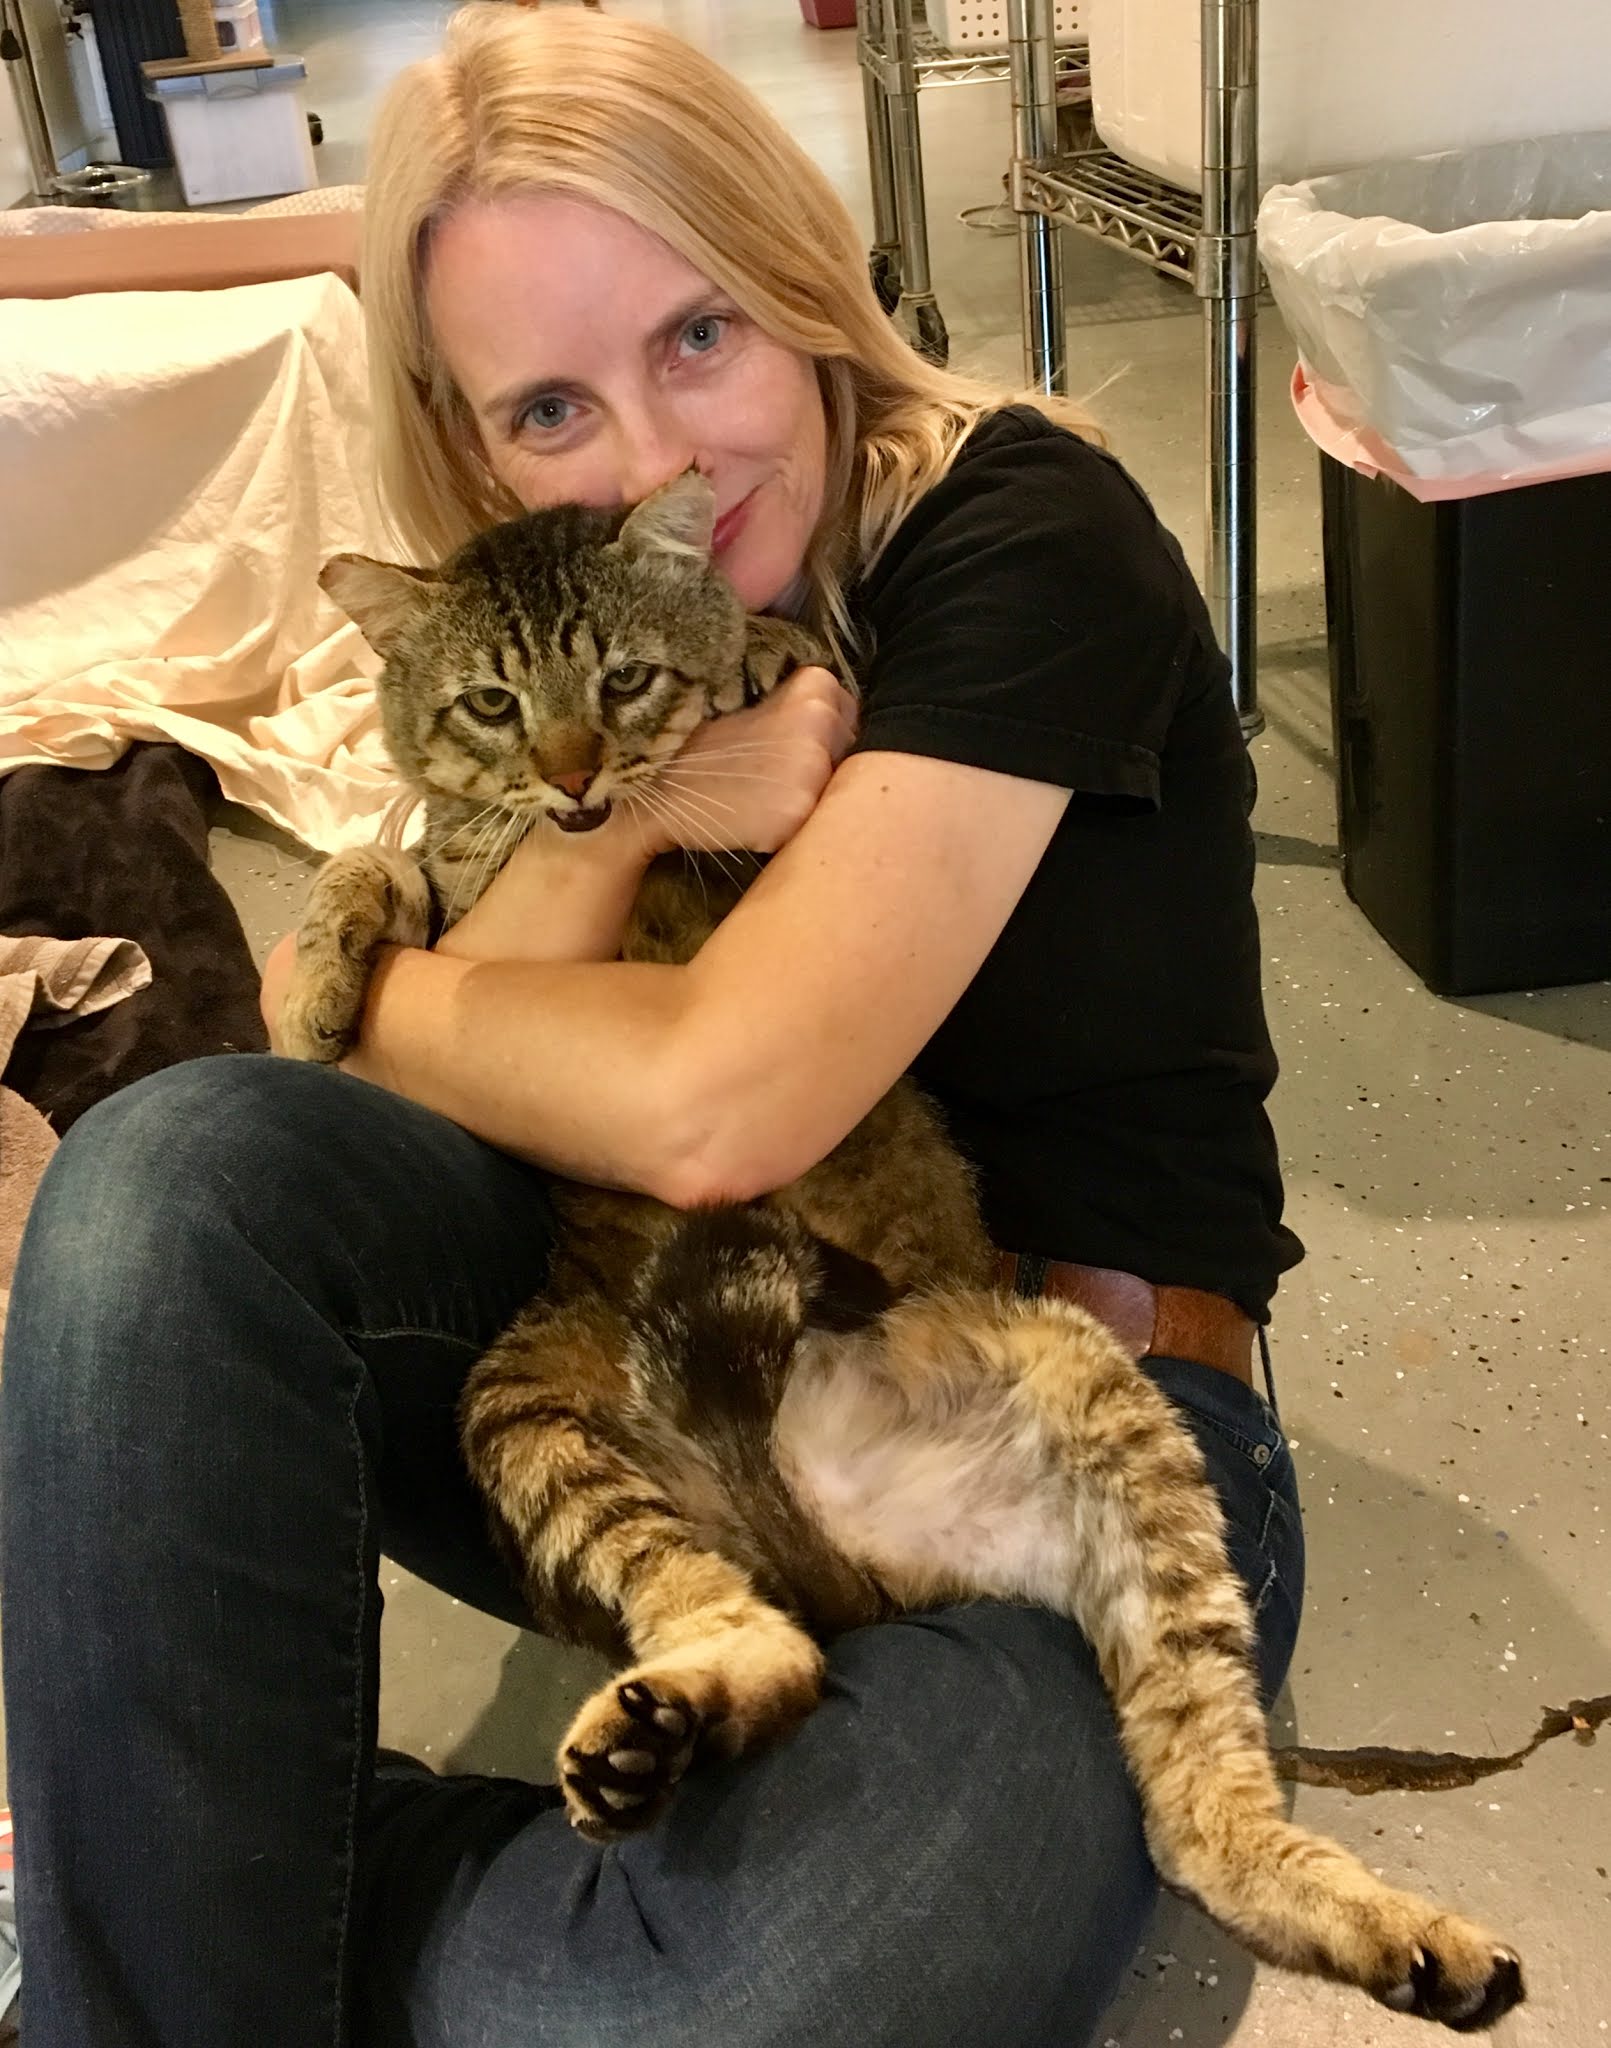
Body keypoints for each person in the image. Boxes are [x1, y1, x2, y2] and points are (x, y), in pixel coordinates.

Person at [0, 6, 1305, 2044]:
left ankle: (192, 1861)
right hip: (639, 1358)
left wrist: (359, 1009)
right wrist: (668, 789)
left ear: (800, 277)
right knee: (164, 1176)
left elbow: (715, 1102)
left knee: (758, 1987)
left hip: (1032, 1422)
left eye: (695, 335)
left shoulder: (1021, 534)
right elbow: (406, 1012)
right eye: (544, 408)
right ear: (469, 437)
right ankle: (156, 1900)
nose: (646, 459)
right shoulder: (569, 609)